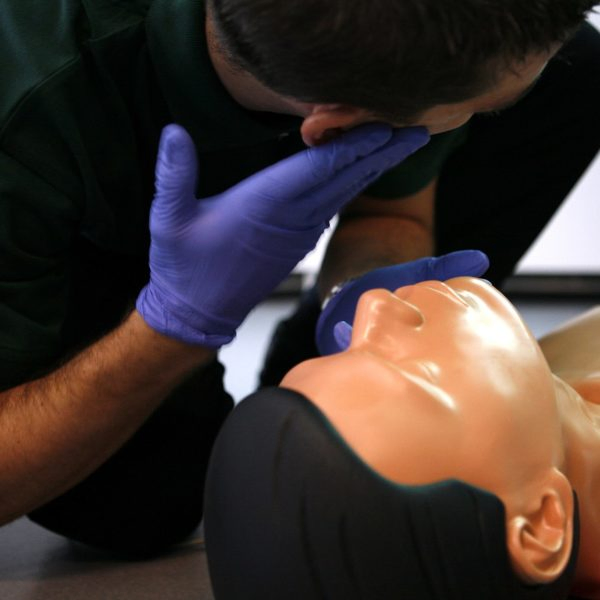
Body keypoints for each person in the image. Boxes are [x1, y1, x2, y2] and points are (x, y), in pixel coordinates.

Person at [0, 0, 596, 555]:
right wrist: (173, 324)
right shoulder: (31, 110)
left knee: (577, 71)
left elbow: (390, 213)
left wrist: (357, 296)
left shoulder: (392, 40)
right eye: (478, 111)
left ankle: (321, 379)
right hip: (67, 213)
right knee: (142, 502)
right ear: (336, 126)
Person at [204, 277, 600, 599]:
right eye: (421, 373)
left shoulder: (549, 388)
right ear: (540, 524)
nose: (373, 303)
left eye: (346, 348)